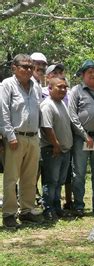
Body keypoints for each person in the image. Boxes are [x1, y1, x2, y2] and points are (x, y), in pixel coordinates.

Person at [0, 54, 43, 228]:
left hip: (33, 137)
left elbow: (38, 112)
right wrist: (10, 136)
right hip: (15, 137)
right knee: (11, 178)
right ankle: (9, 214)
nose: (28, 70)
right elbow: (2, 112)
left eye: (30, 67)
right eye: (24, 66)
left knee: (30, 177)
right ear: (14, 68)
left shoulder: (36, 87)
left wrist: (38, 135)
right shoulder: (6, 85)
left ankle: (27, 211)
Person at [40, 77, 92, 221]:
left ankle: (56, 208)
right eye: (59, 87)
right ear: (50, 88)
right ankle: (48, 209)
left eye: (65, 87)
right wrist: (56, 145)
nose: (63, 89)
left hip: (64, 151)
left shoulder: (62, 104)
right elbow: (47, 128)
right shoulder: (47, 105)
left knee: (58, 182)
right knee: (51, 182)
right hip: (53, 150)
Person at [68, 59, 94, 216]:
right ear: (83, 75)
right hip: (82, 139)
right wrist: (85, 136)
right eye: (89, 71)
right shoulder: (76, 91)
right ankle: (79, 205)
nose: (93, 74)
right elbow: (72, 115)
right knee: (79, 173)